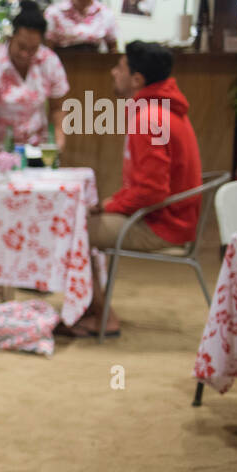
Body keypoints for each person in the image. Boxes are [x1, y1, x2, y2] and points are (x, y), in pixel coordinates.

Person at [71, 41, 202, 337]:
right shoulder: (160, 109)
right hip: (169, 216)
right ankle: (92, 306)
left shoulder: (151, 118)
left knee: (73, 227)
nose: (112, 72)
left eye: (119, 67)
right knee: (83, 220)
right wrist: (114, 202)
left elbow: (152, 191)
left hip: (163, 224)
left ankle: (102, 314)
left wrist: (109, 206)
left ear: (137, 79)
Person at [0, 0, 70, 163]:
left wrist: (59, 139)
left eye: (33, 49)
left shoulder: (49, 61)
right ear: (10, 37)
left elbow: (58, 108)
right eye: (21, 47)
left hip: (36, 152)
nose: (25, 54)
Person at [45, 0, 118, 53]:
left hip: (94, 62)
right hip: (62, 61)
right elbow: (48, 47)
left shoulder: (105, 13)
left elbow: (112, 47)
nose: (86, 0)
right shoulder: (55, 12)